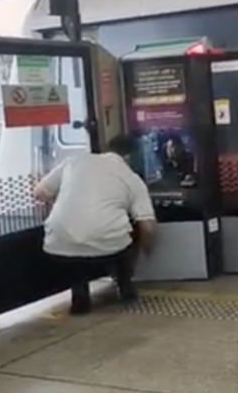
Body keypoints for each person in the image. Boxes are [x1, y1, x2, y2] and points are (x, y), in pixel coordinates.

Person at [33, 134, 157, 315]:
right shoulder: (132, 178)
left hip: (58, 245)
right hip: (108, 247)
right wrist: (149, 251)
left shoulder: (74, 161)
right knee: (130, 231)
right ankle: (124, 286)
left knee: (75, 249)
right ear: (129, 157)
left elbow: (40, 193)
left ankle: (80, 295)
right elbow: (147, 226)